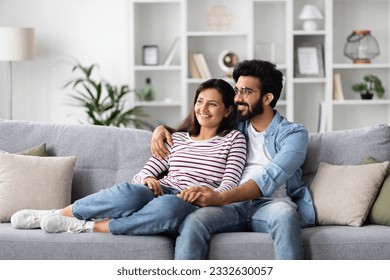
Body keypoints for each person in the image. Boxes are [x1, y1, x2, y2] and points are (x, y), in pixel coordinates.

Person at [11, 78, 247, 236]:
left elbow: (229, 185)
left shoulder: (233, 139)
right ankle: (57, 213)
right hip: (162, 190)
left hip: (190, 201)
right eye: (199, 101)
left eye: (212, 104)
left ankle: (89, 226)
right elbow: (144, 172)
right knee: (130, 192)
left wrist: (206, 195)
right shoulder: (179, 138)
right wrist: (146, 181)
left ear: (227, 110)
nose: (203, 109)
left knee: (169, 207)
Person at [151, 60, 315, 259]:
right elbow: (198, 131)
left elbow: (270, 178)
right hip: (231, 207)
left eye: (246, 91)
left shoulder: (294, 134)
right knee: (194, 221)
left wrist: (219, 198)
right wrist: (163, 130)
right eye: (236, 90)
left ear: (267, 98)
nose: (237, 98)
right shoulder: (235, 126)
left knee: (286, 216)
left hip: (270, 204)